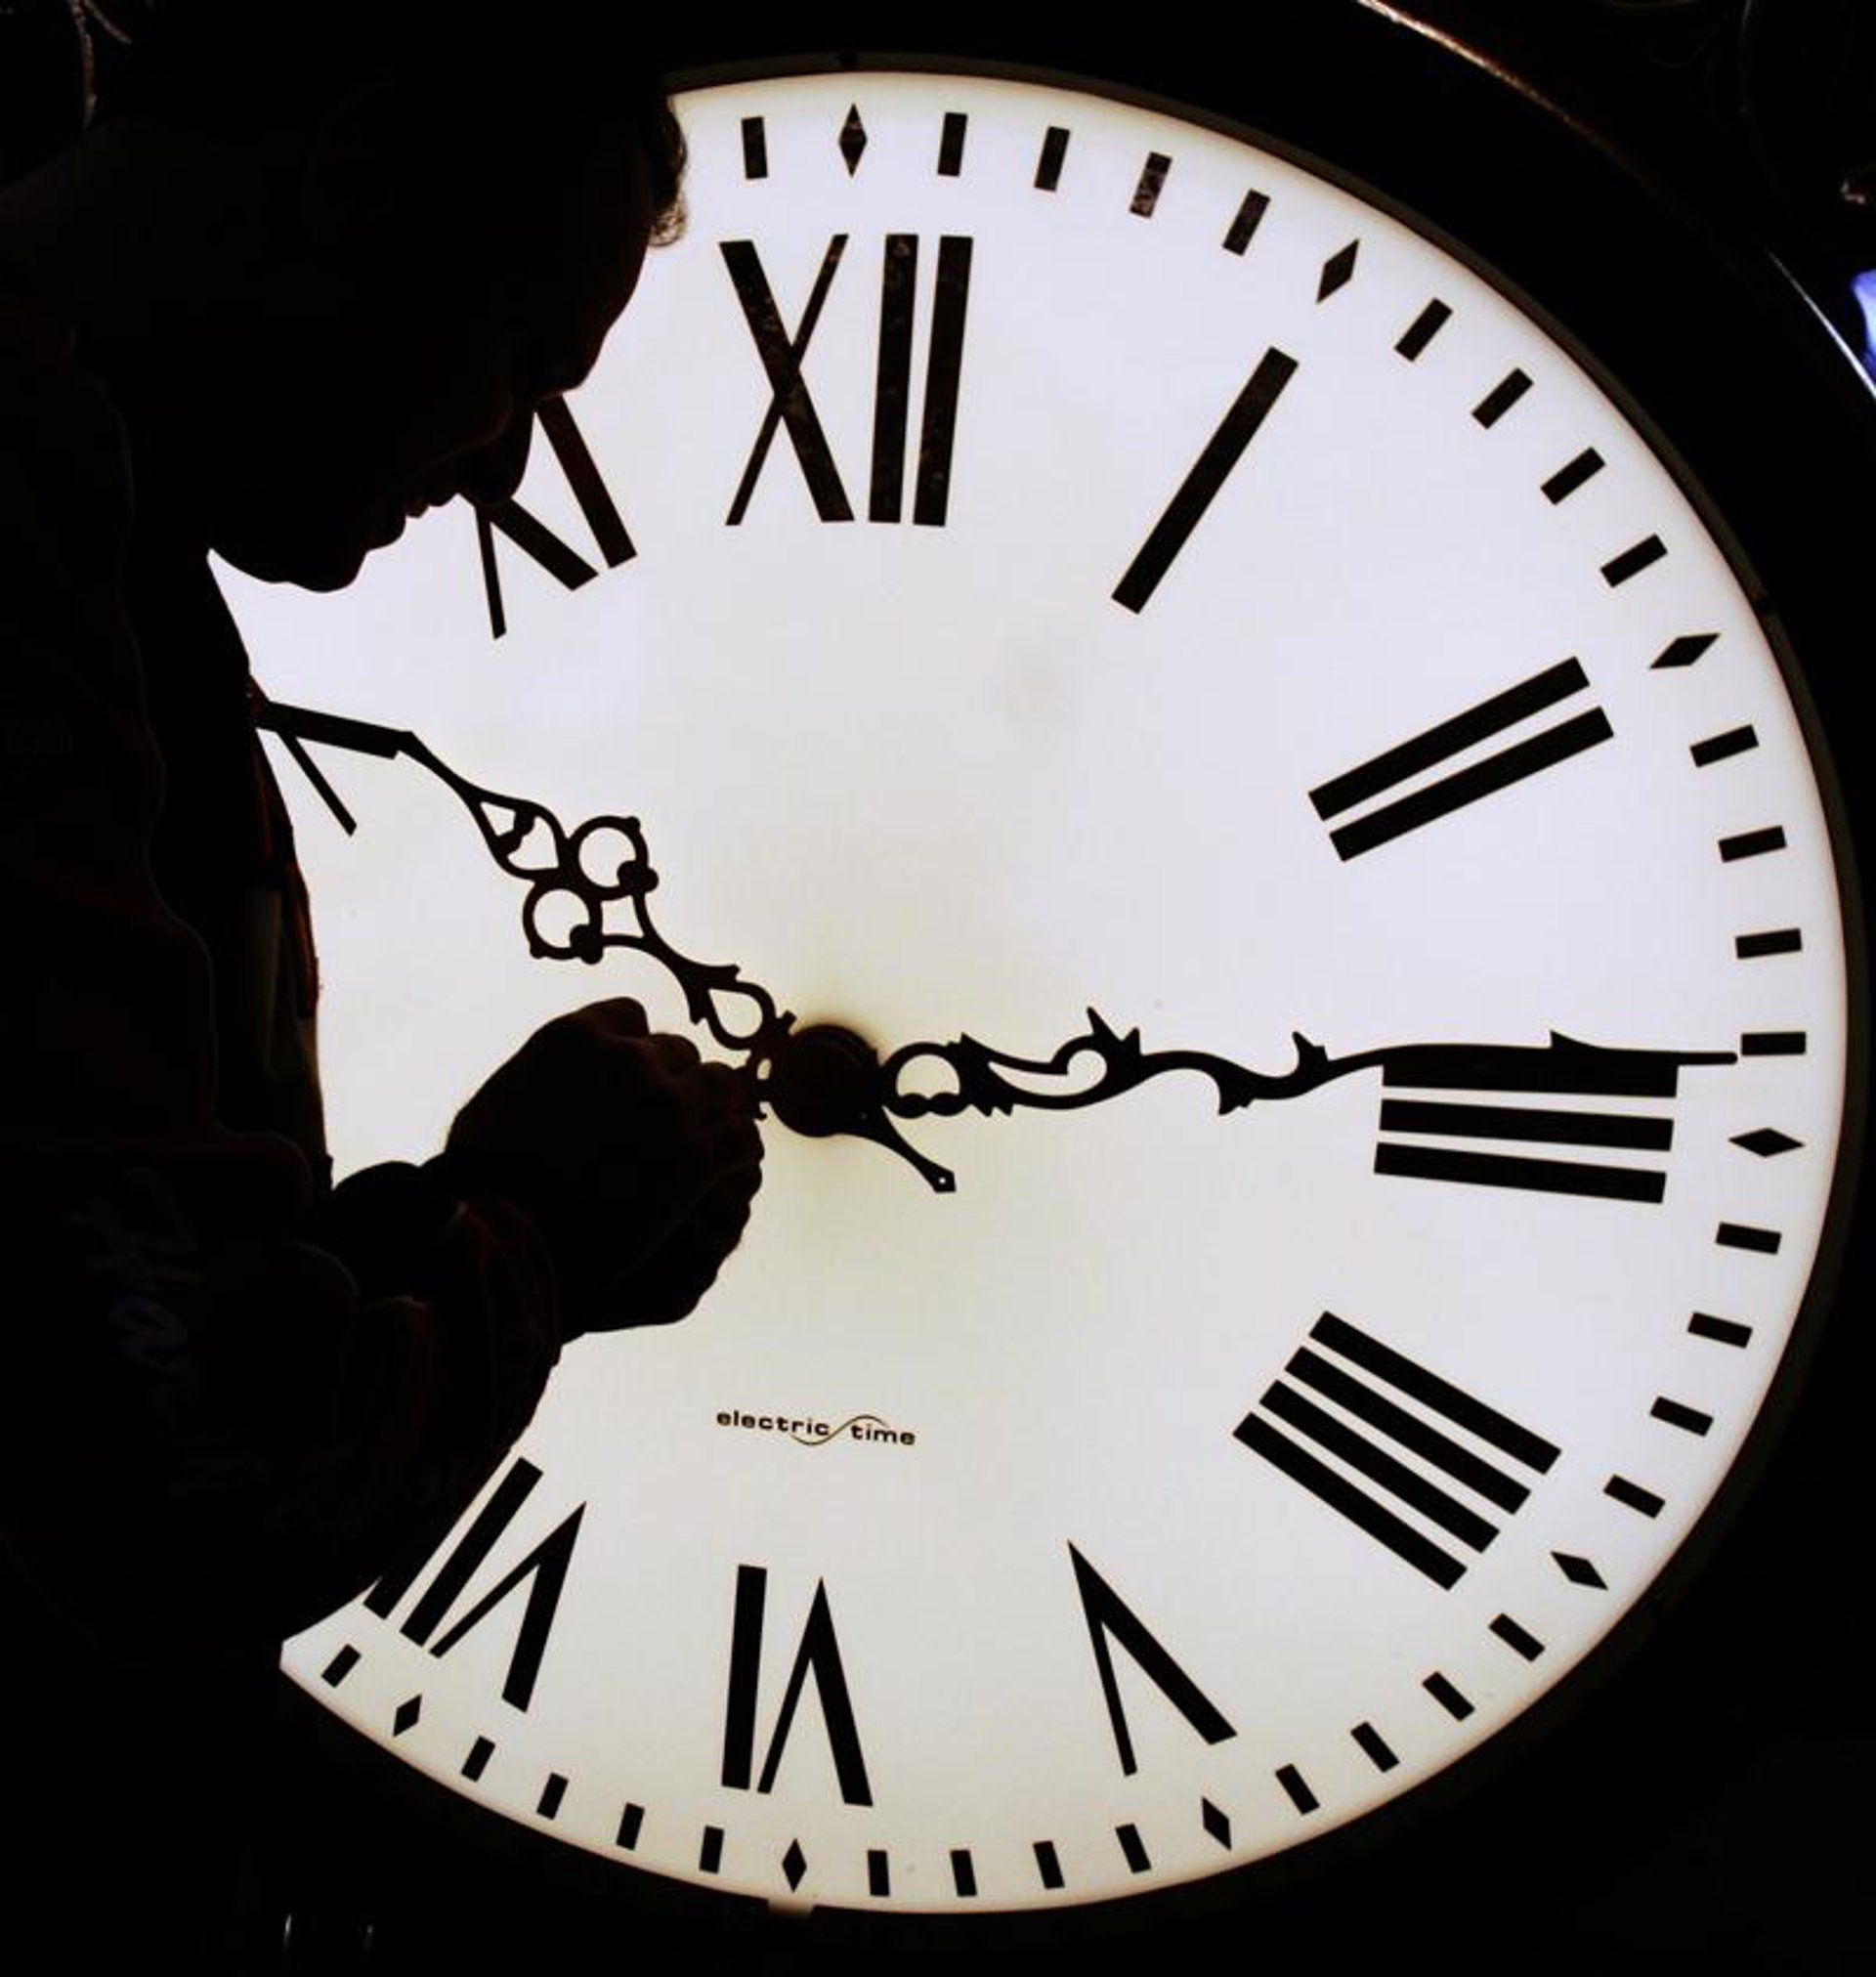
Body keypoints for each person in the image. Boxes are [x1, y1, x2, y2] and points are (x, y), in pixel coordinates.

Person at [0, 4, 762, 1963]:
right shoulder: (8, 558)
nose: (504, 469)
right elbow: (166, 1487)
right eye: (520, 362)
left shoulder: (85, 536)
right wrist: (544, 1221)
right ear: (356, 184)